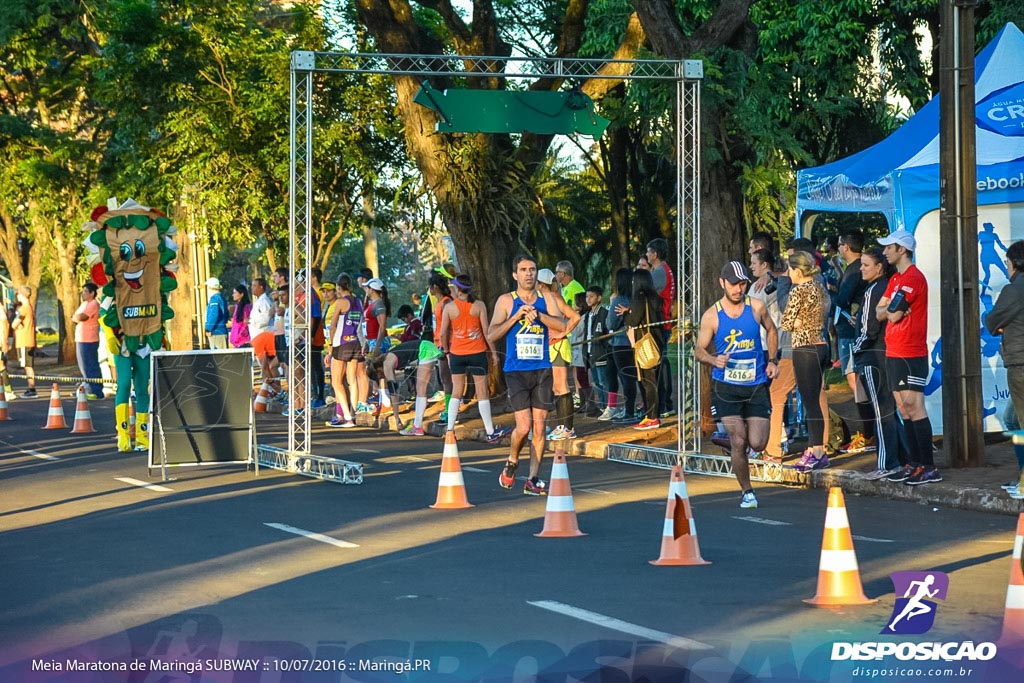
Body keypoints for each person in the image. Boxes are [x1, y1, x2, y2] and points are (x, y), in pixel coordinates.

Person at [695, 261, 778, 508]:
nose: (738, 289)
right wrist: (713, 359)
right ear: (722, 283)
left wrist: (773, 360)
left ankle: (730, 442)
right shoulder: (712, 315)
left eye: (742, 284)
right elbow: (699, 350)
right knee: (739, 441)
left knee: (758, 443)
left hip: (755, 384)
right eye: (733, 284)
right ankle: (747, 492)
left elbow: (772, 331)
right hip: (726, 387)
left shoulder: (757, 307)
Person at [488, 254, 567, 495]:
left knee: (540, 428)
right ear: (515, 275)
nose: (529, 273)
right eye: (523, 270)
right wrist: (516, 316)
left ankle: (533, 478)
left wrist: (539, 316)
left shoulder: (548, 298)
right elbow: (491, 334)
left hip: (542, 368)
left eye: (532, 269)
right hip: (516, 371)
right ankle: (512, 460)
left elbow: (563, 325)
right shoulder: (505, 301)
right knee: (523, 427)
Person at [875, 229, 940, 485]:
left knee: (914, 406)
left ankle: (928, 465)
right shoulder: (894, 280)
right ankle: (914, 463)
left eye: (889, 247)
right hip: (894, 350)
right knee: (903, 408)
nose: (884, 252)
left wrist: (890, 310)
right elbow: (881, 312)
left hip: (911, 352)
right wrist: (889, 309)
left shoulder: (913, 278)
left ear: (902, 249)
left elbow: (893, 315)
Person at [439, 274, 512, 443]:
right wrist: (493, 353)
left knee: (457, 390)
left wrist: (447, 351)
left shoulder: (449, 308)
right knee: (482, 392)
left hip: (457, 353)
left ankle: (450, 430)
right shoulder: (479, 306)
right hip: (477, 352)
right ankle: (490, 430)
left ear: (457, 289)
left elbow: (443, 332)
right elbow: (487, 332)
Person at [850, 247, 903, 480]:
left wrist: (856, 348)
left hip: (873, 355)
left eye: (865, 265)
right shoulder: (889, 286)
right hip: (888, 353)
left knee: (881, 412)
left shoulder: (874, 290)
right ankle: (903, 457)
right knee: (891, 409)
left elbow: (868, 329)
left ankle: (887, 462)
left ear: (879, 267)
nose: (861, 269)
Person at [780, 251, 832, 472]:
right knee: (814, 399)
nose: (788, 273)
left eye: (789, 269)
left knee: (809, 402)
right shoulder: (820, 287)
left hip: (804, 347)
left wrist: (796, 320)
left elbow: (786, 321)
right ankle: (813, 447)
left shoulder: (798, 290)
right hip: (820, 344)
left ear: (797, 271)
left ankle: (817, 451)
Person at [984, 239, 1024, 499]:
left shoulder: (1015, 289)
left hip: (1020, 363)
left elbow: (992, 320)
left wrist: (999, 326)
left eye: (1008, 263)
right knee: (1011, 419)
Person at [835, 231, 874, 453]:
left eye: (840, 245)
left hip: (850, 331)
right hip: (853, 329)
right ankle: (869, 433)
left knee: (856, 382)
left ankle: (868, 435)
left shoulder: (852, 271)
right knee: (858, 382)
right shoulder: (854, 269)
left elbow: (842, 299)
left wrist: (833, 296)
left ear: (846, 247)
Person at [400, 272, 452, 436]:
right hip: (437, 345)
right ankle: (446, 411)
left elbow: (447, 327)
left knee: (448, 379)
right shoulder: (439, 303)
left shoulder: (446, 303)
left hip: (444, 346)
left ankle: (449, 412)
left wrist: (444, 346)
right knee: (444, 379)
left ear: (435, 287)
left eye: (430, 288)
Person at [537, 268, 581, 440]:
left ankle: (567, 427)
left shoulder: (555, 298)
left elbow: (575, 317)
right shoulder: (544, 299)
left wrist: (563, 333)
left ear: (541, 284)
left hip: (559, 346)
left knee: (562, 386)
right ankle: (561, 425)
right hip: (550, 346)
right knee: (556, 387)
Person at [624, 269, 665, 430]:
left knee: (648, 382)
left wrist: (627, 315)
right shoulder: (655, 298)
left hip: (644, 343)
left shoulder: (639, 297)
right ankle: (653, 414)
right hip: (656, 341)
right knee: (654, 381)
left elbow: (634, 321)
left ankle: (652, 417)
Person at [326, 274, 363, 428]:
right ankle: (352, 415)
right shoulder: (358, 301)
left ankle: (347, 416)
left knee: (336, 382)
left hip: (340, 343)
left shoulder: (341, 302)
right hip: (355, 342)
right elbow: (361, 324)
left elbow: (332, 325)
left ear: (339, 288)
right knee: (352, 380)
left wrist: (330, 348)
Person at [646, 238, 676, 418]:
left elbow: (648, 293)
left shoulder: (658, 272)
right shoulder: (663, 270)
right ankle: (665, 403)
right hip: (663, 322)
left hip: (661, 322)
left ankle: (665, 403)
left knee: (660, 365)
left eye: (649, 252)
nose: (647, 255)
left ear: (655, 254)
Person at [607, 268, 637, 423]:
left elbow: (610, 323)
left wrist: (612, 303)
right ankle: (631, 409)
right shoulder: (635, 299)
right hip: (634, 343)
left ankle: (629, 412)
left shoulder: (618, 300)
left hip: (620, 343)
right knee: (632, 377)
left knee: (626, 378)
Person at [582, 286, 613, 418]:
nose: (588, 299)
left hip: (601, 352)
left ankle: (608, 406)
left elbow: (608, 333)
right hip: (590, 352)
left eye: (591, 296)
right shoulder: (588, 315)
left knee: (603, 380)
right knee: (595, 381)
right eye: (587, 296)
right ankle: (601, 405)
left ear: (599, 298)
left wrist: (605, 348)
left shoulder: (604, 313)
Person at [74, 282, 103, 398]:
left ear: (92, 293)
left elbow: (81, 317)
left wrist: (77, 317)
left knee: (90, 365)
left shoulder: (94, 304)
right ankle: (88, 387)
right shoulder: (84, 304)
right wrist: (76, 317)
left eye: (86, 291)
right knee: (83, 366)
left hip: (89, 339)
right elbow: (75, 317)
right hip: (81, 338)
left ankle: (96, 390)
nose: (83, 293)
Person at [249, 277, 277, 393]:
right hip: (258, 337)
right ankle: (271, 389)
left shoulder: (264, 301)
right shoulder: (258, 301)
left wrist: (251, 321)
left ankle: (274, 388)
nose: (252, 288)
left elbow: (266, 318)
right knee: (266, 366)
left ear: (261, 287)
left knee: (266, 366)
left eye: (254, 285)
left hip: (263, 336)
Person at [12, 286, 37, 397]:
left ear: (21, 295)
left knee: (28, 365)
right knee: (26, 365)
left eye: (18, 294)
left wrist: (16, 323)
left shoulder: (24, 308)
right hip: (25, 339)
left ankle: (32, 389)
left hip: (25, 340)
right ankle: (31, 388)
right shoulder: (27, 307)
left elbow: (14, 324)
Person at [204, 277, 229, 350]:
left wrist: (208, 328)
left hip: (216, 332)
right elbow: (226, 314)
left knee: (218, 358)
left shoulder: (214, 299)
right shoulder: (222, 297)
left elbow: (214, 314)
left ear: (209, 288)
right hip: (222, 330)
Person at [228, 284, 252, 349]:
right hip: (236, 342)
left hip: (243, 341)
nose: (233, 295)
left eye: (235, 293)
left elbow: (246, 324)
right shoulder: (237, 306)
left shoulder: (247, 307)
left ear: (241, 294)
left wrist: (240, 335)